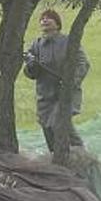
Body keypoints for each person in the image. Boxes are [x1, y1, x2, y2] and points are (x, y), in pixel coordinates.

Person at [23, 8, 91, 153]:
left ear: (57, 23)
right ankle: (58, 160)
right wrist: (31, 65)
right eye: (42, 18)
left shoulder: (68, 42)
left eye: (49, 18)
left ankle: (82, 154)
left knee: (59, 123)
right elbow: (31, 74)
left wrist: (70, 82)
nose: (45, 20)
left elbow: (83, 64)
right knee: (47, 128)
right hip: (44, 97)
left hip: (65, 94)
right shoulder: (36, 44)